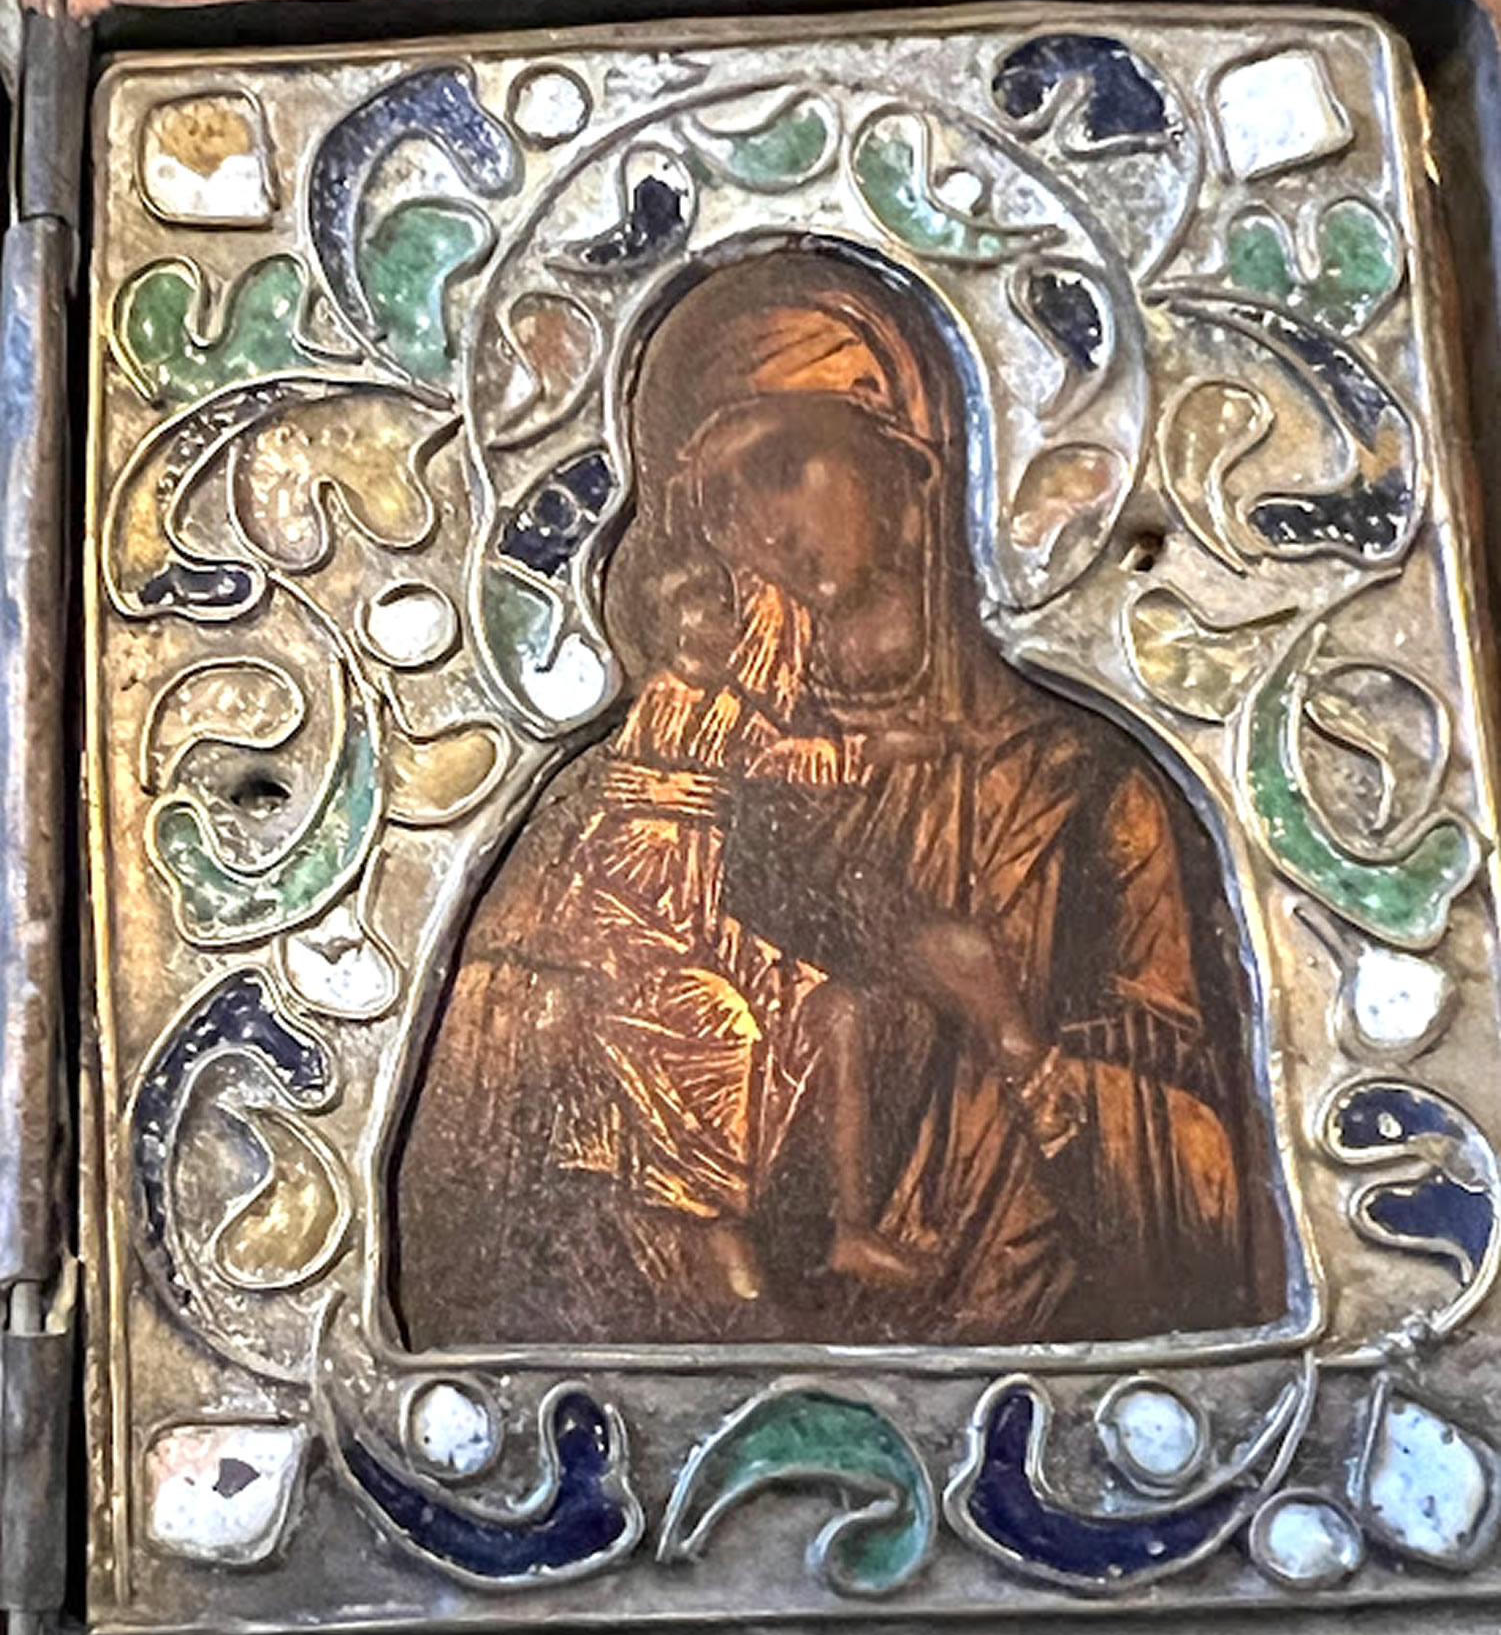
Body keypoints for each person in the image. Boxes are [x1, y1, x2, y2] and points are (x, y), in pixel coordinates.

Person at [393, 248, 1288, 1348]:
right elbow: (498, 1177)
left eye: (781, 467)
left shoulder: (1085, 795)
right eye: (717, 502)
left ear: (908, 468)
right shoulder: (669, 781)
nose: (754, 529)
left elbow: (1211, 1209)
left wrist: (1009, 1031)